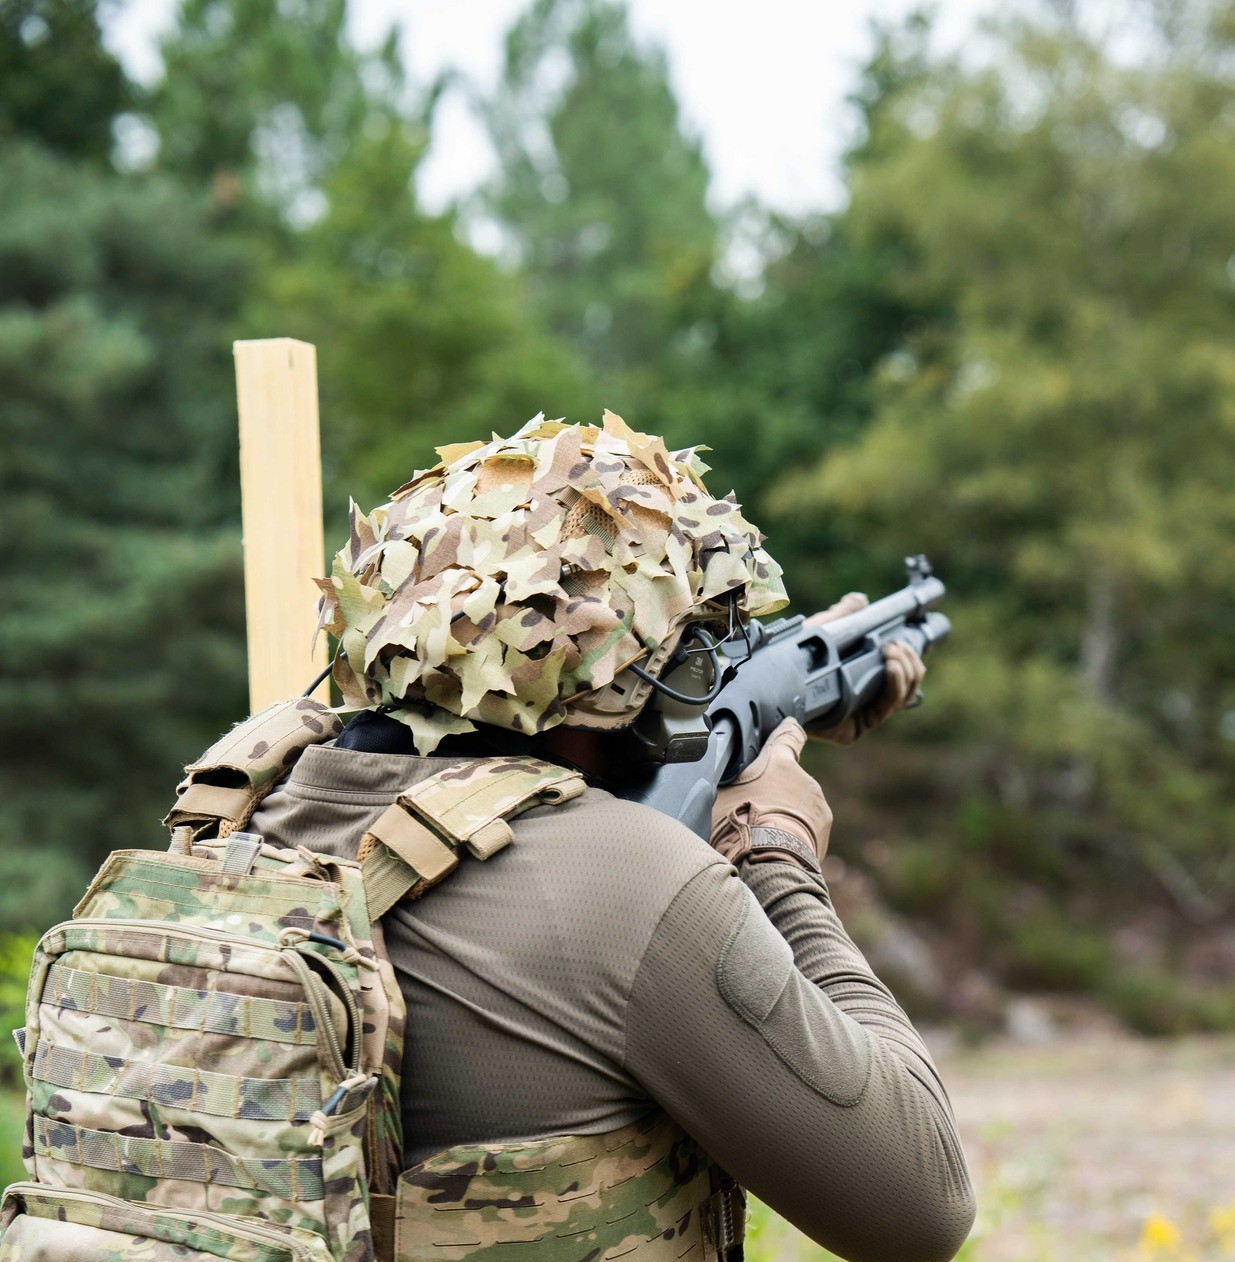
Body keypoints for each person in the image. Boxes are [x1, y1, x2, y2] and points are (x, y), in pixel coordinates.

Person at [244, 411, 975, 1262]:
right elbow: (922, 1207)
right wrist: (776, 850)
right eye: (693, 644)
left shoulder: (248, 810)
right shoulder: (631, 882)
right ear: (635, 670)